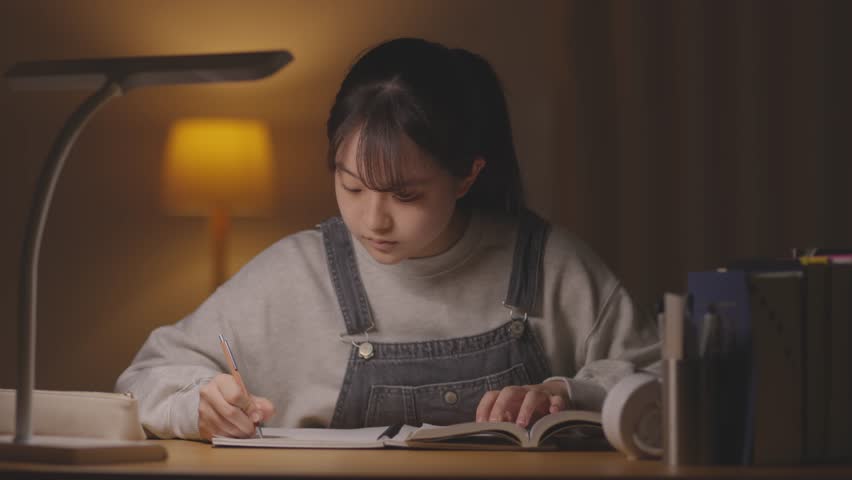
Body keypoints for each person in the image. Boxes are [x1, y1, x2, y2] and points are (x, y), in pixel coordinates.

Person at [116, 37, 659, 441]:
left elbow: (666, 386)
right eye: (352, 186)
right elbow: (143, 378)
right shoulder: (293, 275)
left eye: (405, 195)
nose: (373, 220)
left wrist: (570, 394)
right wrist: (197, 406)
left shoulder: (552, 267)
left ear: (466, 176)